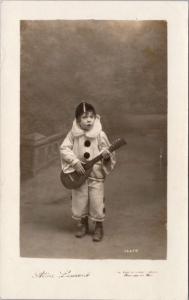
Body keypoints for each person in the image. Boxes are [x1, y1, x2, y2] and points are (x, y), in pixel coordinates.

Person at [60, 102, 116, 242]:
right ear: (78, 119)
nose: (89, 120)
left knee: (97, 201)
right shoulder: (73, 134)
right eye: (85, 117)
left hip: (95, 175)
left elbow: (107, 149)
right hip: (79, 174)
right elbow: (64, 149)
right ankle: (83, 224)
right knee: (80, 199)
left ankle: (98, 227)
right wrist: (75, 162)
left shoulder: (100, 134)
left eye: (91, 116)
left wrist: (107, 155)